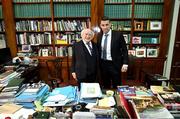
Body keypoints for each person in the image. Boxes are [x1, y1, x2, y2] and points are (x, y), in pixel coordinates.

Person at [97, 16, 128, 89]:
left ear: (110, 24)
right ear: (100, 26)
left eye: (107, 25)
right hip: (103, 64)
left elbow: (124, 49)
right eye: (103, 25)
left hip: (115, 64)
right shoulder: (99, 36)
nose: (105, 27)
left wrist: (125, 63)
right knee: (105, 85)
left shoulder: (118, 35)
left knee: (116, 85)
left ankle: (117, 99)